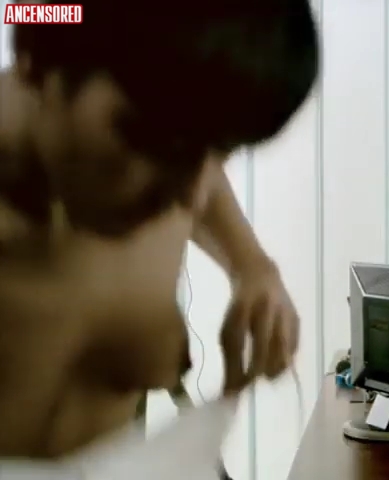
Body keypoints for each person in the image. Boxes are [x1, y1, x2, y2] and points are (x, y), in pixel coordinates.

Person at [0, 0, 319, 461]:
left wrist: (253, 266)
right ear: (39, 62)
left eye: (221, 150)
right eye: (164, 144)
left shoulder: (155, 174)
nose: (191, 198)